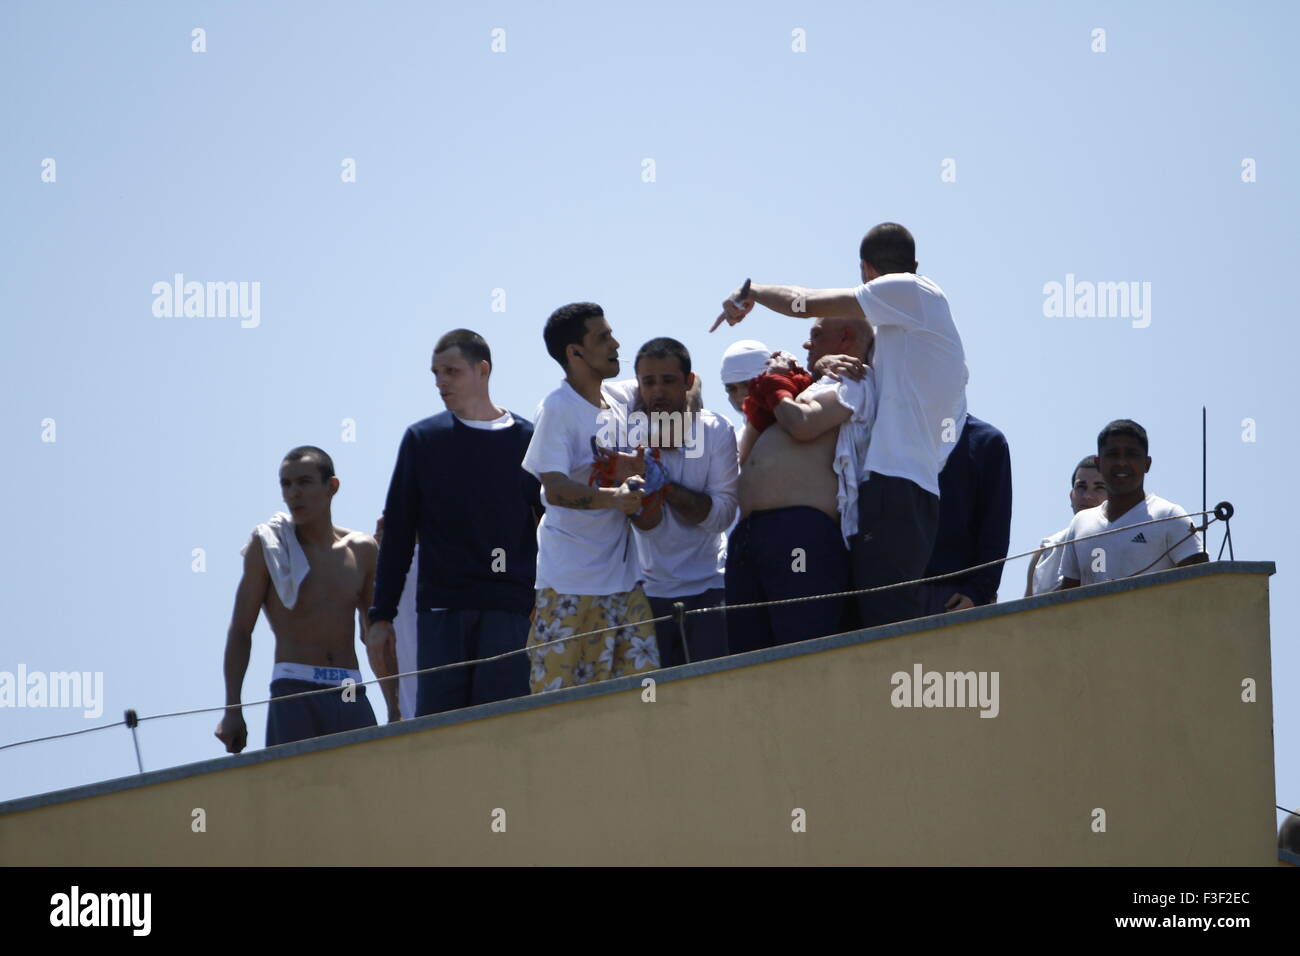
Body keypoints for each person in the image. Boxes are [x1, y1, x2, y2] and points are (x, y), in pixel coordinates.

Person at [713, 222, 968, 628]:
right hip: (897, 489)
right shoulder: (904, 334)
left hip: (897, 487)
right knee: (867, 619)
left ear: (866, 270)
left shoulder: (911, 290)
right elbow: (862, 366)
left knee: (883, 624)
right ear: (914, 261)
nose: (807, 342)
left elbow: (804, 302)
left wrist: (753, 291)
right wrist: (820, 365)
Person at [368, 330, 542, 717]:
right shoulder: (423, 439)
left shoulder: (527, 439)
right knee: (441, 734)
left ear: (482, 370)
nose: (440, 382)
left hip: (509, 613)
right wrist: (381, 615)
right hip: (441, 612)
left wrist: (541, 600)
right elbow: (398, 533)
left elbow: (550, 524)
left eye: (451, 371)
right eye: (435, 373)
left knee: (503, 730)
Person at [216, 446, 394, 752]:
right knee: (296, 782)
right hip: (294, 689)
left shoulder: (362, 550)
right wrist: (233, 710)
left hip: (349, 687)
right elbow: (241, 629)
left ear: (331, 486)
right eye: (286, 484)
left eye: (304, 482)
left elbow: (375, 636)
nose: (293, 493)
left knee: (367, 778)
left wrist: (394, 707)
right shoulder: (269, 546)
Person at [522, 302, 660, 691]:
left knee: (642, 698)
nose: (616, 344)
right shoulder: (557, 408)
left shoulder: (619, 399)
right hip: (569, 584)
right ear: (575, 352)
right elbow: (555, 488)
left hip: (625, 583)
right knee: (559, 705)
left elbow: (685, 379)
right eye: (603, 337)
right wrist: (614, 497)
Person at [726, 315, 875, 651]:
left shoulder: (855, 380)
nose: (807, 344)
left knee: (802, 648)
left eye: (817, 335)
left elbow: (802, 424)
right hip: (749, 535)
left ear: (846, 338)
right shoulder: (811, 385)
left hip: (799, 532)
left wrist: (776, 383)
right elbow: (745, 454)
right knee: (745, 659)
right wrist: (777, 388)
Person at [605, 338, 738, 667]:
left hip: (710, 585)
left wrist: (665, 486)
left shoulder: (716, 430)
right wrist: (640, 493)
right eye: (648, 382)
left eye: (668, 380)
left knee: (713, 688)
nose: (658, 391)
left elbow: (721, 517)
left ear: (688, 381)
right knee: (652, 694)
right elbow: (645, 525)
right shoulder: (626, 433)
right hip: (645, 592)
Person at [1058, 420, 1208, 589]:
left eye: (1132, 454)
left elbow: (1204, 585)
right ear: (1098, 463)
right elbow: (1068, 594)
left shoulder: (1169, 516)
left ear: (1147, 464)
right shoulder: (1081, 523)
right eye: (1113, 454)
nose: (1122, 463)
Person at [920, 414, 1012, 614]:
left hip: (954, 597)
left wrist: (977, 592)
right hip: (889, 593)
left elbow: (996, 529)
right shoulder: (892, 432)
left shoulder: (988, 441)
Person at [1023, 455, 1107, 597]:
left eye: (1099, 488)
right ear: (1071, 496)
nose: (1087, 496)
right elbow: (1027, 608)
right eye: (1081, 487)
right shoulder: (1046, 550)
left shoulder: (1125, 540)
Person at [719, 339, 771, 420]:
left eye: (749, 385)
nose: (741, 396)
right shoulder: (724, 427)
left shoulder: (791, 421)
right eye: (731, 389)